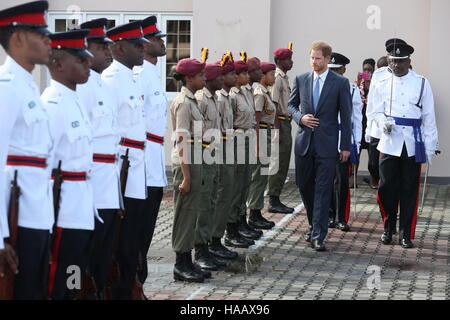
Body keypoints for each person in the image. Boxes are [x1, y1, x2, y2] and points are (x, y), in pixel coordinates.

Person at [0, 0, 51, 299]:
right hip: (16, 219)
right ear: (17, 38)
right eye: (40, 33)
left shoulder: (28, 86)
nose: (48, 40)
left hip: (38, 212)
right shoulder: (5, 87)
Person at [43, 29, 94, 300]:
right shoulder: (51, 105)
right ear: (58, 64)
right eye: (80, 60)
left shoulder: (74, 101)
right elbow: (44, 168)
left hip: (81, 205)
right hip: (62, 209)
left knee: (75, 273)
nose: (88, 64)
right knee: (58, 277)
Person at [372, 39, 438, 248]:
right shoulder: (380, 80)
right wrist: (382, 123)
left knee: (409, 189)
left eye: (401, 61)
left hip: (413, 141)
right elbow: (373, 110)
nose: (396, 65)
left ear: (409, 61)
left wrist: (429, 148)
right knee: (386, 188)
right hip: (389, 141)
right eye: (393, 61)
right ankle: (388, 226)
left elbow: (429, 117)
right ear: (388, 61)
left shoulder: (421, 83)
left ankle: (405, 234)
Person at [288, 41, 352, 252]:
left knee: (324, 190)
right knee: (305, 186)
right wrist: (300, 117)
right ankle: (312, 224)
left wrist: (345, 146)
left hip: (327, 145)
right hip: (304, 143)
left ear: (327, 59)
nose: (314, 62)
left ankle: (318, 235)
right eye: (312, 58)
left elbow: (346, 115)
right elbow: (290, 106)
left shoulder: (340, 83)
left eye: (318, 58)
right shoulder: (301, 79)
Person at [102, 20, 148, 299]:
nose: (142, 49)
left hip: (136, 167)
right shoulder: (111, 80)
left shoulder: (129, 77)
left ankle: (131, 285)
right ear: (119, 47)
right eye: (137, 44)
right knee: (122, 239)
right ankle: (119, 290)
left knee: (134, 237)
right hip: (123, 170)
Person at [76, 18, 119, 300]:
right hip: (90, 183)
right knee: (85, 251)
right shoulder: (82, 86)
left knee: (104, 248)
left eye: (108, 45)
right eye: (101, 45)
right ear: (85, 48)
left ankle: (99, 291)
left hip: (109, 179)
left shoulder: (102, 83)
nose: (108, 50)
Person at [133, 15, 169, 288]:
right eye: (156, 38)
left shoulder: (152, 73)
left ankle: (138, 284)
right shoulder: (139, 75)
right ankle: (135, 283)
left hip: (154, 163)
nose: (162, 42)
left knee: (146, 233)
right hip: (142, 165)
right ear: (143, 44)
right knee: (137, 233)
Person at [170, 58, 209, 283]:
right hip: (186, 161)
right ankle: (180, 264)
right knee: (184, 215)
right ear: (189, 78)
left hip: (194, 159)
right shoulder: (183, 102)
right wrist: (186, 176)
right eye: (200, 75)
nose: (204, 78)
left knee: (192, 212)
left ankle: (188, 261)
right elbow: (182, 140)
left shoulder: (192, 101)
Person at [193, 56, 226, 272]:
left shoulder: (214, 98)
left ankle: (209, 245)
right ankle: (199, 251)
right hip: (202, 155)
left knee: (212, 200)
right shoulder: (201, 99)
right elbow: (195, 133)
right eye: (220, 76)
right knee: (203, 204)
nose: (223, 79)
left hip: (213, 153)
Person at [327, 52, 363, 232]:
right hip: (326, 139)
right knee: (326, 179)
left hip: (343, 139)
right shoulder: (322, 85)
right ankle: (329, 215)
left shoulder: (353, 89)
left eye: (337, 70)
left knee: (341, 180)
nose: (334, 73)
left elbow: (356, 118)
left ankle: (341, 217)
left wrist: (355, 143)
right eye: (331, 69)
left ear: (344, 70)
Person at [225, 56, 259, 248]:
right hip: (236, 141)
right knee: (235, 186)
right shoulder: (230, 96)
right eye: (243, 73)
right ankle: (231, 229)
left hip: (247, 139)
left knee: (245, 183)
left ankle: (241, 221)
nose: (247, 75)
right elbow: (228, 124)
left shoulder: (246, 92)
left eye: (247, 72)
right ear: (236, 76)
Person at [209, 52, 239, 260]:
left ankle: (218, 237)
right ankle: (213, 240)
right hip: (217, 150)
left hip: (227, 147)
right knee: (220, 195)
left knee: (228, 192)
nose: (234, 77)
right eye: (229, 74)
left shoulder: (226, 97)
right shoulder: (218, 99)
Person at [246, 62, 278, 229]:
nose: (274, 77)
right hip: (261, 135)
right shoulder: (259, 93)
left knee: (262, 175)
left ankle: (257, 211)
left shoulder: (266, 92)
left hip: (266, 134)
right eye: (271, 74)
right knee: (258, 176)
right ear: (264, 76)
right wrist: (258, 144)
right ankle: (254, 213)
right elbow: (257, 121)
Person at [268, 45, 295, 214]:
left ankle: (276, 197)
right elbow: (274, 106)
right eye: (288, 59)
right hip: (280, 123)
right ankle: (273, 199)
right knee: (277, 162)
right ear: (279, 61)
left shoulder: (284, 77)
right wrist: (277, 129)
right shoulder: (277, 78)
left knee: (283, 161)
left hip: (286, 122)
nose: (291, 62)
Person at [351, 58, 375, 188]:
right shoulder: (356, 85)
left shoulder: (376, 85)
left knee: (372, 157)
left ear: (374, 71)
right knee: (356, 153)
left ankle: (373, 180)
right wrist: (359, 83)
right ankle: (353, 179)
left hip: (370, 125)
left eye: (370, 70)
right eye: (365, 69)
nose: (367, 72)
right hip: (359, 125)